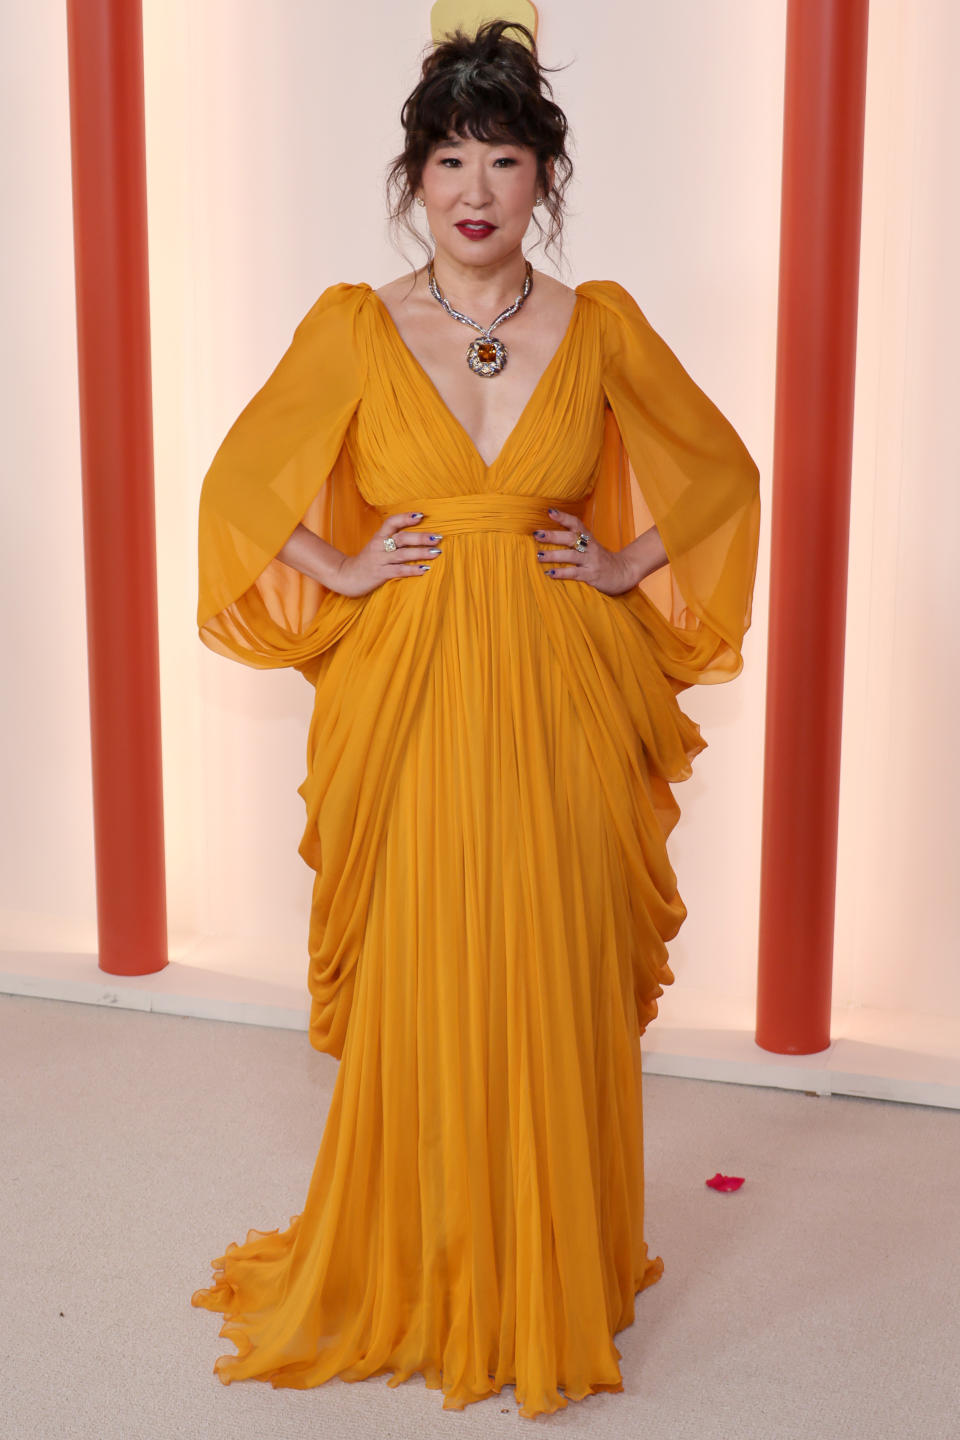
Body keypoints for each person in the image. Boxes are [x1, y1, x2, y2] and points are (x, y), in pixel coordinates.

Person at [190, 17, 761, 1421]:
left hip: (565, 683)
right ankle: (434, 1263)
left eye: (506, 156)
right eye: (452, 155)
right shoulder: (356, 324)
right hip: (416, 683)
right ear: (416, 173)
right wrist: (340, 561)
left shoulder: (600, 322)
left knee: (553, 957)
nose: (478, 185)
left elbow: (721, 472)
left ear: (543, 175)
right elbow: (237, 488)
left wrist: (626, 562)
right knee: (433, 958)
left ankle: (546, 1273)